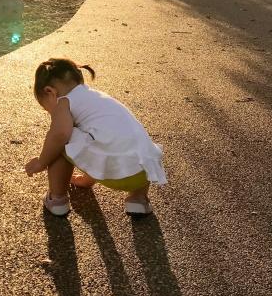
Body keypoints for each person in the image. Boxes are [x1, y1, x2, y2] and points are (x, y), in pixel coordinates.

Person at [25, 56, 167, 217]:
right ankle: (138, 200)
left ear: (50, 92)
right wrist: (87, 180)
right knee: (133, 142)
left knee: (60, 140)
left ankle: (57, 199)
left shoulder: (64, 101)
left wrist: (41, 162)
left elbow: (60, 134)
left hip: (115, 173)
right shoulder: (98, 98)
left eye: (46, 109)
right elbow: (103, 141)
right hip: (142, 173)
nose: (51, 113)